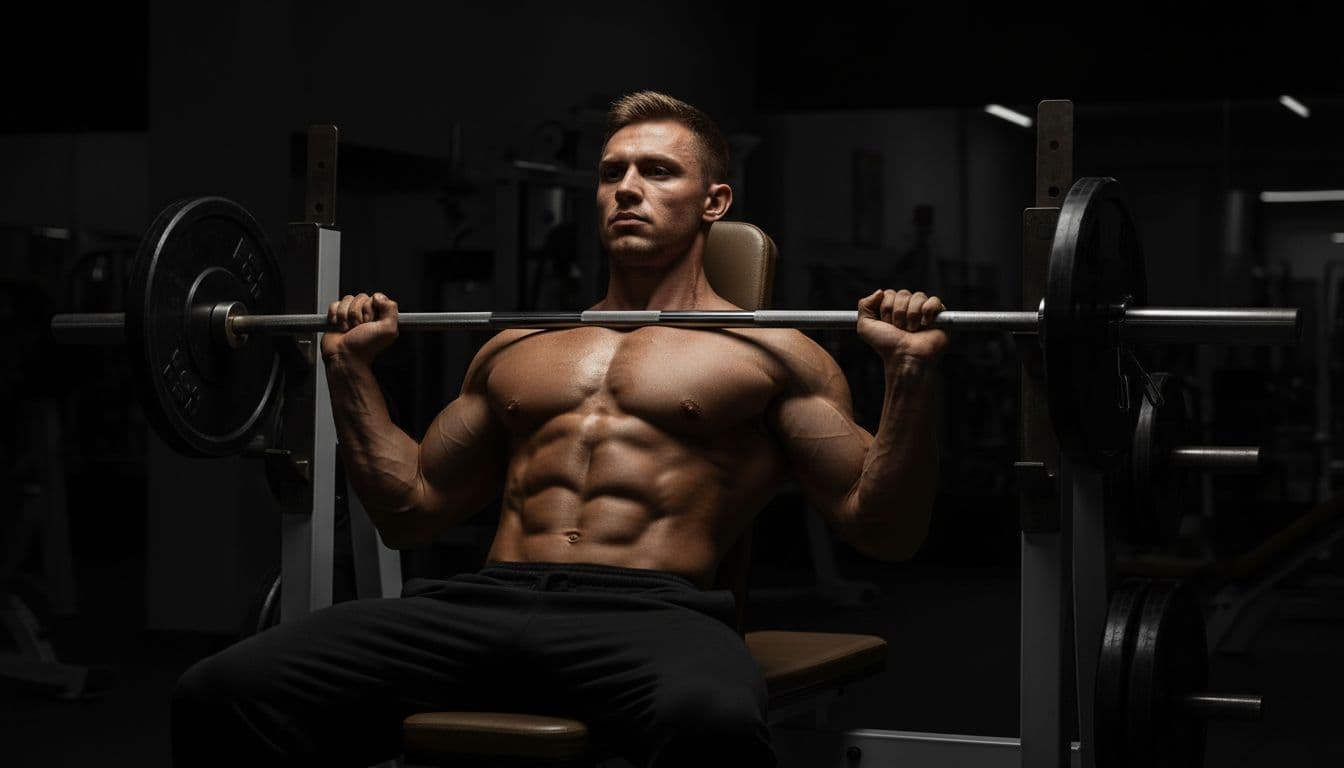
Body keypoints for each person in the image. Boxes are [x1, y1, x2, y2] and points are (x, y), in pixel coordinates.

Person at [171, 90, 947, 767]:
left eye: (657, 171)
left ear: (714, 202)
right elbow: (410, 509)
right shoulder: (518, 346)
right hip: (484, 602)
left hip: (649, 612)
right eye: (612, 173)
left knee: (710, 720)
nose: (627, 188)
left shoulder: (774, 355)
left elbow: (883, 529)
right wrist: (348, 370)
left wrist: (909, 375)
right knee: (225, 689)